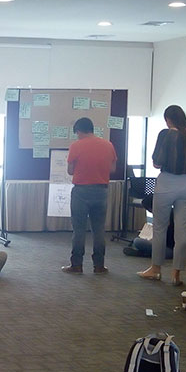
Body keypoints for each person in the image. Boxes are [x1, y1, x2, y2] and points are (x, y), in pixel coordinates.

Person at [138, 105, 186, 286]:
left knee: (160, 228)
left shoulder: (165, 135)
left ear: (168, 119)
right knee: (182, 231)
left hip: (167, 182)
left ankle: (156, 269)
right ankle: (176, 274)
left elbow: (157, 163)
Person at [64, 117, 118, 274]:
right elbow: (112, 169)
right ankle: (99, 266)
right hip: (101, 191)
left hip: (81, 191)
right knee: (99, 230)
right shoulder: (108, 145)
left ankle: (76, 265)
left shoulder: (76, 146)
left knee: (79, 230)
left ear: (79, 131)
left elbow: (70, 171)